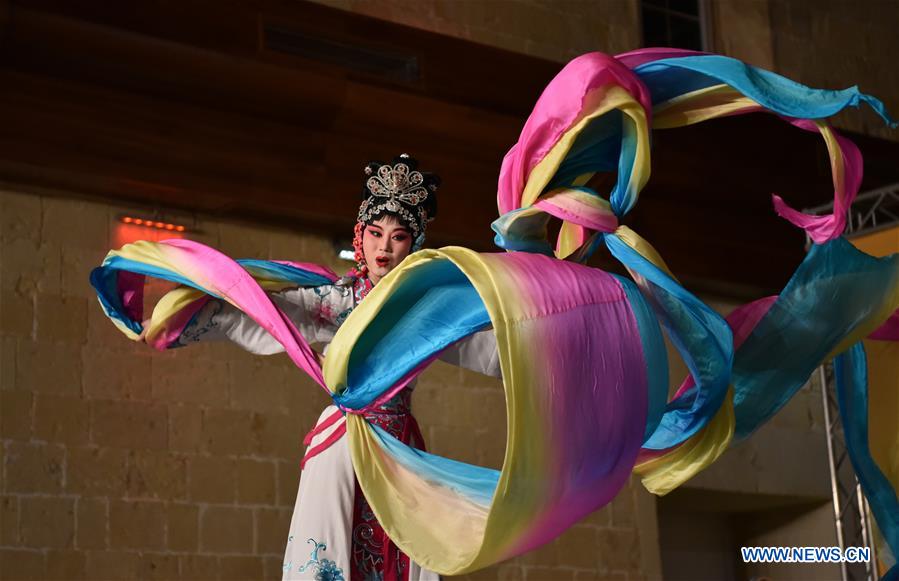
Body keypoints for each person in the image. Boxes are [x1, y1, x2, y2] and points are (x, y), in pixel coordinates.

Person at [162, 154, 499, 581]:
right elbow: (268, 313)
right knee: (333, 557)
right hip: (345, 444)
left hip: (401, 452)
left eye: (397, 237)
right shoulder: (338, 300)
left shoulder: (427, 312)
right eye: (375, 233)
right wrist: (185, 314)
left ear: (413, 245)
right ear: (361, 235)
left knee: (402, 555)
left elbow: (489, 346)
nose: (383, 248)